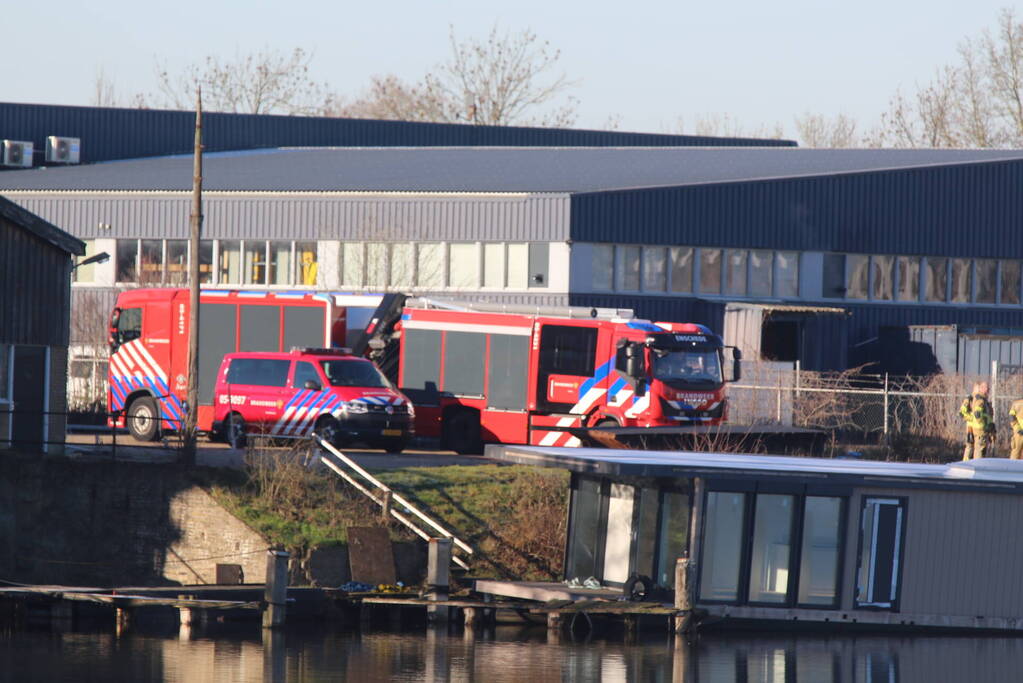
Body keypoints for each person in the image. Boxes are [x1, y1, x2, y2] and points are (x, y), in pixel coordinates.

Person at [961, 382, 995, 460]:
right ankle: (967, 465)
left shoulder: (984, 400)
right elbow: (963, 413)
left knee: (979, 448)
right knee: (971, 447)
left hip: (979, 427)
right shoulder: (972, 399)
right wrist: (972, 419)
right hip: (973, 427)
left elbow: (987, 415)